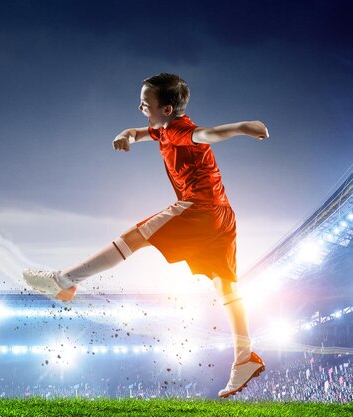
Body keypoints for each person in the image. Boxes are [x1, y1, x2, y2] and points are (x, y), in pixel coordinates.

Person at [22, 73, 268, 398]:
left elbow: (208, 134)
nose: (139, 105)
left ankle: (64, 281)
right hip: (221, 214)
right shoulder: (163, 128)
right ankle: (243, 358)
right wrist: (126, 135)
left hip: (198, 210)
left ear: (166, 108)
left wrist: (242, 127)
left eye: (145, 102)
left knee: (136, 237)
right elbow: (140, 131)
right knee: (225, 284)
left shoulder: (181, 131)